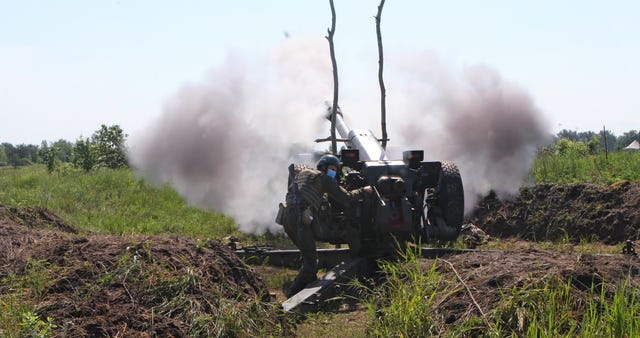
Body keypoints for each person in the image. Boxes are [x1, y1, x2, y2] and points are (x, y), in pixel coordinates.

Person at [279, 154, 371, 297]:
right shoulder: (324, 179)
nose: (333, 171)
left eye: (335, 169)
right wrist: (363, 191)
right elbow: (346, 198)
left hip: (287, 217)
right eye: (332, 168)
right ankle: (293, 296)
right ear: (323, 167)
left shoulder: (304, 173)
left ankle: (310, 282)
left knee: (308, 255)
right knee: (311, 263)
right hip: (300, 219)